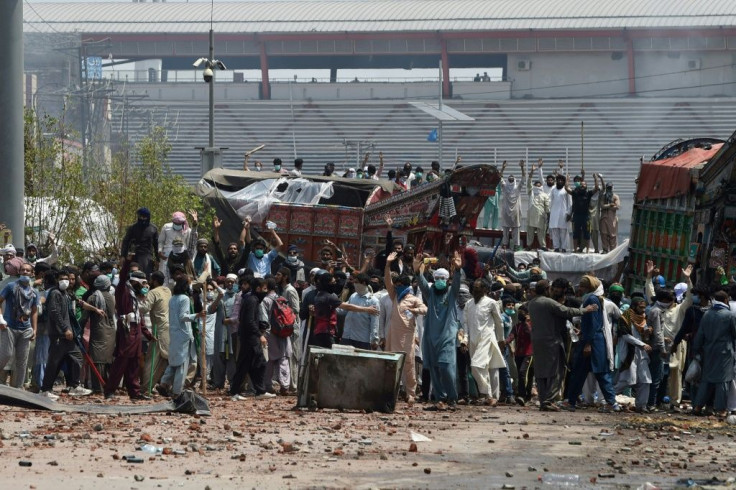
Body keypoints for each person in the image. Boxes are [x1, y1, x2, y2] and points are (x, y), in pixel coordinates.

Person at [527, 280, 595, 411]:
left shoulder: (532, 303)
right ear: (548, 289)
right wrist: (586, 310)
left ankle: (543, 400)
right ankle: (548, 400)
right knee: (556, 371)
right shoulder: (549, 302)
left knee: (541, 372)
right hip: (552, 341)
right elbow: (567, 311)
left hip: (537, 341)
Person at [562, 275, 621, 412]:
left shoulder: (591, 299)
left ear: (588, 288)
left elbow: (593, 324)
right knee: (584, 372)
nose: (580, 289)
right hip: (595, 340)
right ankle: (571, 401)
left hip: (592, 342)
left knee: (594, 373)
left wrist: (588, 343)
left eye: (583, 286)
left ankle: (611, 403)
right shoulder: (596, 299)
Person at [416, 252, 463, 408]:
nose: (440, 281)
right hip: (431, 338)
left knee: (445, 367)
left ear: (447, 280)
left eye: (443, 279)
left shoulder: (450, 295)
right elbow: (422, 284)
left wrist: (457, 269)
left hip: (446, 338)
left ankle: (452, 397)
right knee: (434, 369)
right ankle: (439, 398)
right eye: (437, 279)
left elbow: (456, 284)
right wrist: (418, 271)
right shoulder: (430, 295)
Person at [645, 260, 693, 411]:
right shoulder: (658, 307)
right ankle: (656, 401)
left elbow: (690, 298)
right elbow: (651, 294)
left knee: (674, 375)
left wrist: (688, 279)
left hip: (675, 346)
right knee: (658, 375)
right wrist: (648, 276)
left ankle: (674, 403)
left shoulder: (679, 309)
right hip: (659, 346)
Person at [39, 269, 92, 399]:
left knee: (76, 357)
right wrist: (64, 329)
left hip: (68, 334)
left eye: (67, 279)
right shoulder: (55, 293)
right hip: (59, 334)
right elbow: (54, 312)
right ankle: (45, 390)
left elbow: (79, 302)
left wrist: (95, 309)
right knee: (54, 362)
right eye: (62, 278)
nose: (65, 281)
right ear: (57, 280)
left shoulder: (66, 294)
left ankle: (74, 386)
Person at [105, 259, 152, 401]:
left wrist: (147, 334)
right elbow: (124, 275)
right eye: (142, 283)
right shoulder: (123, 290)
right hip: (127, 331)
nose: (144, 286)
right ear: (135, 281)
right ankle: (110, 390)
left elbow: (139, 316)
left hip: (136, 331)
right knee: (122, 361)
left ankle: (135, 392)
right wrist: (127, 262)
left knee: (135, 363)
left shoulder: (135, 296)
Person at [384, 255, 426, 403]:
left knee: (409, 364)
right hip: (393, 335)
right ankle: (391, 393)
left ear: (405, 285)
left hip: (408, 335)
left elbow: (424, 308)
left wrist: (416, 311)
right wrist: (388, 265)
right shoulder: (395, 296)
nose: (396, 286)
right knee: (391, 364)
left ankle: (411, 394)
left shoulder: (413, 299)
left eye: (399, 284)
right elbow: (388, 282)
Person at [230, 278, 276, 400]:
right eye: (265, 289)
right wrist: (259, 335)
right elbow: (249, 321)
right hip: (250, 338)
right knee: (251, 364)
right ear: (258, 289)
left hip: (249, 337)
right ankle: (235, 392)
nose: (266, 292)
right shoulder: (252, 300)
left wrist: (260, 325)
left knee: (255, 365)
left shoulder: (252, 299)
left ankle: (259, 391)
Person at [692, 290, 736, 417]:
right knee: (723, 380)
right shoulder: (729, 315)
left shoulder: (707, 314)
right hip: (725, 352)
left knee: (707, 379)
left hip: (709, 350)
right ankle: (721, 409)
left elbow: (700, 335)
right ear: (726, 300)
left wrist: (696, 351)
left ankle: (698, 406)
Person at [157, 278, 202, 398]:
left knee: (174, 362)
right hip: (183, 334)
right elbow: (183, 316)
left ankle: (164, 383)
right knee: (182, 364)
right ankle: (177, 391)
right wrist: (197, 315)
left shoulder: (172, 299)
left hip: (174, 333)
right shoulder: (185, 298)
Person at [463, 278, 505, 405]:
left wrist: (501, 339)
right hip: (473, 341)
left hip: (487, 338)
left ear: (485, 290)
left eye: (478, 288)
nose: (475, 290)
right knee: (485, 368)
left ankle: (487, 393)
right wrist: (464, 340)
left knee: (476, 366)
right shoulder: (468, 304)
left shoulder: (491, 303)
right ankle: (490, 397)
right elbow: (465, 324)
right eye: (474, 287)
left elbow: (499, 322)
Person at [0, 261, 39, 388]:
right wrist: (1, 319)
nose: (25, 272)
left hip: (26, 329)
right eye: (23, 270)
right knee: (6, 355)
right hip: (9, 327)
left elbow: (34, 311)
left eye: (28, 270)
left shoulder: (34, 292)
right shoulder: (11, 286)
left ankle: (18, 388)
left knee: (22, 361)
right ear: (19, 272)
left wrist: (34, 329)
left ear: (32, 274)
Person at [615, 295, 654, 412]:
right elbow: (626, 336)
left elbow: (644, 333)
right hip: (629, 353)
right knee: (627, 380)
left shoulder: (642, 318)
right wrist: (642, 344)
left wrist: (647, 332)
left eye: (644, 307)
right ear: (633, 306)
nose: (643, 310)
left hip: (641, 354)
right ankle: (607, 399)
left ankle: (641, 406)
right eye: (640, 307)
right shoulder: (625, 317)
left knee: (645, 380)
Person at [139, 271, 171, 394]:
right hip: (168, 328)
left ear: (155, 281)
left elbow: (145, 308)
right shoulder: (167, 291)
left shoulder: (153, 292)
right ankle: (153, 385)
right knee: (163, 359)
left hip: (159, 329)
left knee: (151, 359)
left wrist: (135, 304)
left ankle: (145, 387)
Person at [261, 277, 293, 395]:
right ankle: (285, 386)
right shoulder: (282, 299)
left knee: (269, 360)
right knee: (283, 359)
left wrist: (263, 333)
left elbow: (264, 319)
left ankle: (267, 385)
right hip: (284, 332)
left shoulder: (265, 300)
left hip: (271, 333)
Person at [86, 274, 117, 394]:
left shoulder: (93, 298)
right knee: (108, 360)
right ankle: (108, 387)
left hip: (99, 331)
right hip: (111, 331)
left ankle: (98, 387)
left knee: (96, 359)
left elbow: (85, 317)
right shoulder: (112, 297)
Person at [339, 273, 380, 350]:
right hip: (347, 337)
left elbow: (375, 322)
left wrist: (374, 339)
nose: (354, 284)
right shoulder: (353, 296)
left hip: (362, 339)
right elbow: (345, 310)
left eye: (356, 282)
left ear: (363, 283)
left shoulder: (373, 301)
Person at [506, 304, 534, 405]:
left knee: (523, 373)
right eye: (519, 313)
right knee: (525, 375)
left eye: (522, 313)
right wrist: (505, 342)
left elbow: (531, 336)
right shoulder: (517, 326)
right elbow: (511, 336)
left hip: (529, 354)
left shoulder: (531, 325)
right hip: (519, 354)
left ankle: (522, 395)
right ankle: (527, 396)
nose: (519, 315)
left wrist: (526, 323)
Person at [158, 210, 199, 277]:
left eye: (179, 224)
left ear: (183, 223)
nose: (177, 225)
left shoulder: (187, 230)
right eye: (176, 223)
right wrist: (160, 251)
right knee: (165, 277)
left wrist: (194, 224)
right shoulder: (166, 227)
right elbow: (161, 241)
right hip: (166, 256)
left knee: (181, 276)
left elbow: (191, 244)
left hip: (182, 257)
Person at [121, 207, 158, 277]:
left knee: (145, 275)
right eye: (141, 216)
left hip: (147, 255)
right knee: (132, 275)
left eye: (144, 217)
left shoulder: (153, 228)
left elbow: (156, 244)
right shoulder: (132, 228)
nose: (143, 219)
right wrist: (123, 255)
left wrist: (157, 259)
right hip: (134, 255)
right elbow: (126, 241)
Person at [499, 160, 525, 250]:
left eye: (512, 178)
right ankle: (505, 246)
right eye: (509, 178)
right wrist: (503, 168)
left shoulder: (517, 188)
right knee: (505, 231)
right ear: (507, 180)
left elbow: (523, 178)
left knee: (516, 231)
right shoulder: (504, 187)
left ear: (514, 180)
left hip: (515, 214)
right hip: (506, 213)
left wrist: (522, 167)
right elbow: (499, 177)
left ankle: (516, 246)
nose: (511, 178)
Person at [526, 161, 550, 250]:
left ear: (541, 187)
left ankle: (543, 246)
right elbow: (529, 183)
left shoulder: (544, 195)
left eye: (539, 185)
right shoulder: (531, 192)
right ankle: (529, 245)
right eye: (536, 185)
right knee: (530, 231)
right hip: (531, 214)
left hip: (541, 216)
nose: (537, 186)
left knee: (541, 232)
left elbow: (547, 206)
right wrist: (532, 172)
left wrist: (548, 215)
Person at [548, 174, 572, 252]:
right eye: (558, 180)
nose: (560, 181)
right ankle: (556, 247)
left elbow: (570, 202)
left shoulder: (567, 190)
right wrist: (549, 212)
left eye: (562, 180)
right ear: (557, 181)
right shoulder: (553, 190)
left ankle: (564, 247)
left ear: (564, 182)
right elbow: (550, 201)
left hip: (563, 213)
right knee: (555, 230)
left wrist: (569, 213)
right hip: (554, 213)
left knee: (563, 231)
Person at [599, 180, 620, 253]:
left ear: (612, 188)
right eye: (608, 188)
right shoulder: (603, 196)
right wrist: (610, 205)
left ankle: (613, 251)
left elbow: (617, 206)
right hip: (604, 217)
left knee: (612, 235)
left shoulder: (615, 196)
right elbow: (602, 206)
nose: (609, 189)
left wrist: (608, 206)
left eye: (610, 188)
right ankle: (605, 250)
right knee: (604, 234)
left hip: (612, 218)